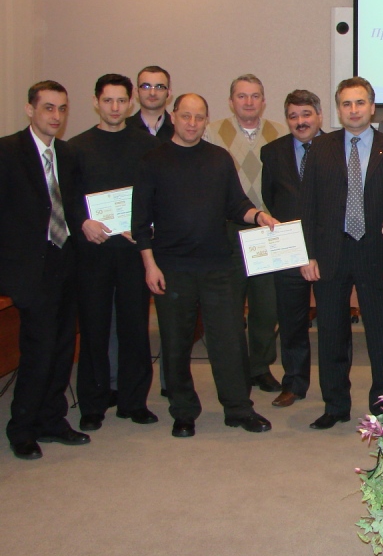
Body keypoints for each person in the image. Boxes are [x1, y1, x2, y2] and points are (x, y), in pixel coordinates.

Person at [133, 93, 278, 438]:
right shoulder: (153, 161)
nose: (192, 123)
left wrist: (258, 215)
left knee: (229, 340)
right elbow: (140, 222)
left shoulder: (218, 158)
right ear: (173, 116)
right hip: (172, 268)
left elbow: (235, 204)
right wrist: (150, 266)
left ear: (206, 120)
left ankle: (238, 408)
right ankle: (183, 411)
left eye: (199, 117)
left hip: (218, 266)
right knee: (176, 342)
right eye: (186, 116)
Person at [300, 77, 383, 427]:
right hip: (330, 253)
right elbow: (308, 205)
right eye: (346, 104)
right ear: (338, 109)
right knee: (332, 334)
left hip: (377, 253)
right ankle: (334, 405)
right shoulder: (320, 148)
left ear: (372, 107)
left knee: (381, 335)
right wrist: (308, 254)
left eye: (360, 102)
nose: (354, 110)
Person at [1, 81, 87, 460]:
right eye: (48, 108)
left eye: (62, 109)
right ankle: (22, 428)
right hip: (28, 270)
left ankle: (52, 420)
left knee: (63, 347)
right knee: (38, 350)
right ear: (30, 109)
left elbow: (73, 207)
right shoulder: (7, 152)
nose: (56, 116)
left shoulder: (67, 155)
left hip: (65, 264)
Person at [69, 74, 159, 432]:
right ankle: (93, 403)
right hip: (93, 251)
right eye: (108, 100)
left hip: (133, 250)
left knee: (135, 326)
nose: (115, 107)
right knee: (94, 327)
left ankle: (133, 401)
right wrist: (83, 221)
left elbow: (155, 192)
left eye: (122, 100)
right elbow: (65, 197)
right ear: (96, 102)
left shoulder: (146, 145)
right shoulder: (77, 147)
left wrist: (147, 224)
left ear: (130, 102)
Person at [207, 74, 288, 393]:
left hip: (266, 230)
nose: (249, 102)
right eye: (242, 96)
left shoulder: (279, 133)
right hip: (227, 230)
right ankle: (235, 368)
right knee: (229, 307)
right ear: (231, 101)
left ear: (264, 101)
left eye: (255, 96)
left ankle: (260, 367)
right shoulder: (212, 132)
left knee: (266, 307)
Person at [260, 90, 324, 408]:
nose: (300, 121)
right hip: (289, 248)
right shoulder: (272, 152)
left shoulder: (337, 147)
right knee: (291, 321)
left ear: (319, 116)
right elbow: (271, 198)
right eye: (293, 116)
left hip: (328, 249)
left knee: (333, 323)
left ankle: (334, 387)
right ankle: (294, 383)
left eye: (306, 114)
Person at [130, 65, 175, 142]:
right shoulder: (123, 128)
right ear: (136, 92)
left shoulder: (179, 129)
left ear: (169, 93)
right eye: (146, 87)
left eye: (159, 87)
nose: (152, 93)